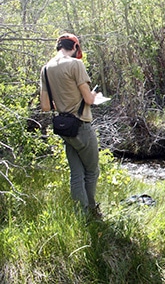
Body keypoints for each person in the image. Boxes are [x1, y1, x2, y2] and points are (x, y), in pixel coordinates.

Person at [40, 33, 101, 218]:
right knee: (91, 171)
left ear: (58, 47)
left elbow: (45, 106)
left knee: (76, 173)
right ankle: (92, 213)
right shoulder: (76, 64)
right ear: (74, 48)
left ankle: (81, 217)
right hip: (81, 125)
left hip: (64, 128)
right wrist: (95, 97)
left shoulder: (45, 69)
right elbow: (89, 99)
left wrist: (63, 102)